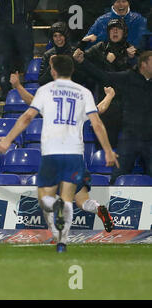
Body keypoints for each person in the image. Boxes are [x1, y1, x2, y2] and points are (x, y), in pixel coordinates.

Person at [0, 55, 118, 253]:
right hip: (75, 155)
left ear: (53, 71)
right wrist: (108, 149)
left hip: (52, 153)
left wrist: (8, 140)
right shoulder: (83, 93)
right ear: (72, 70)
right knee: (74, 199)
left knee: (45, 199)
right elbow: (97, 120)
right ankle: (63, 242)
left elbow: (28, 114)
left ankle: (56, 225)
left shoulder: (46, 92)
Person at [73, 49, 152, 184]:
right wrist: (83, 62)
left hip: (150, 138)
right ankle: (113, 204)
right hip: (130, 137)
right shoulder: (129, 77)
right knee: (117, 175)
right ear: (143, 64)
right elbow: (103, 76)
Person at [83, 18, 136, 149]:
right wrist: (82, 43)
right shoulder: (99, 48)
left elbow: (139, 74)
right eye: (112, 29)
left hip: (127, 106)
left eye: (118, 28)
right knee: (103, 148)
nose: (115, 31)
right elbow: (81, 61)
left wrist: (133, 60)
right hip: (105, 105)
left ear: (124, 32)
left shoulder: (131, 51)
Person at [0, 0, 39, 102]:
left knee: (26, 58)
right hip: (2, 23)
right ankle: (6, 93)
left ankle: (29, 92)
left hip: (22, 21)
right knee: (3, 59)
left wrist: (26, 9)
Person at [83, 0, 148, 49]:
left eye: (124, 1)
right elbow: (86, 43)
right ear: (113, 3)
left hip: (134, 62)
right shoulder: (101, 21)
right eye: (118, 1)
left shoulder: (139, 20)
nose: (121, 4)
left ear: (128, 3)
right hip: (105, 62)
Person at [38, 22, 86, 86]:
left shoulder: (75, 52)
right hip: (54, 91)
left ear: (65, 36)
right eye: (55, 36)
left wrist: (74, 63)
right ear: (52, 38)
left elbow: (83, 79)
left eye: (61, 35)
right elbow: (41, 81)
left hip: (72, 90)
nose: (58, 39)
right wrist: (51, 67)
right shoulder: (47, 55)